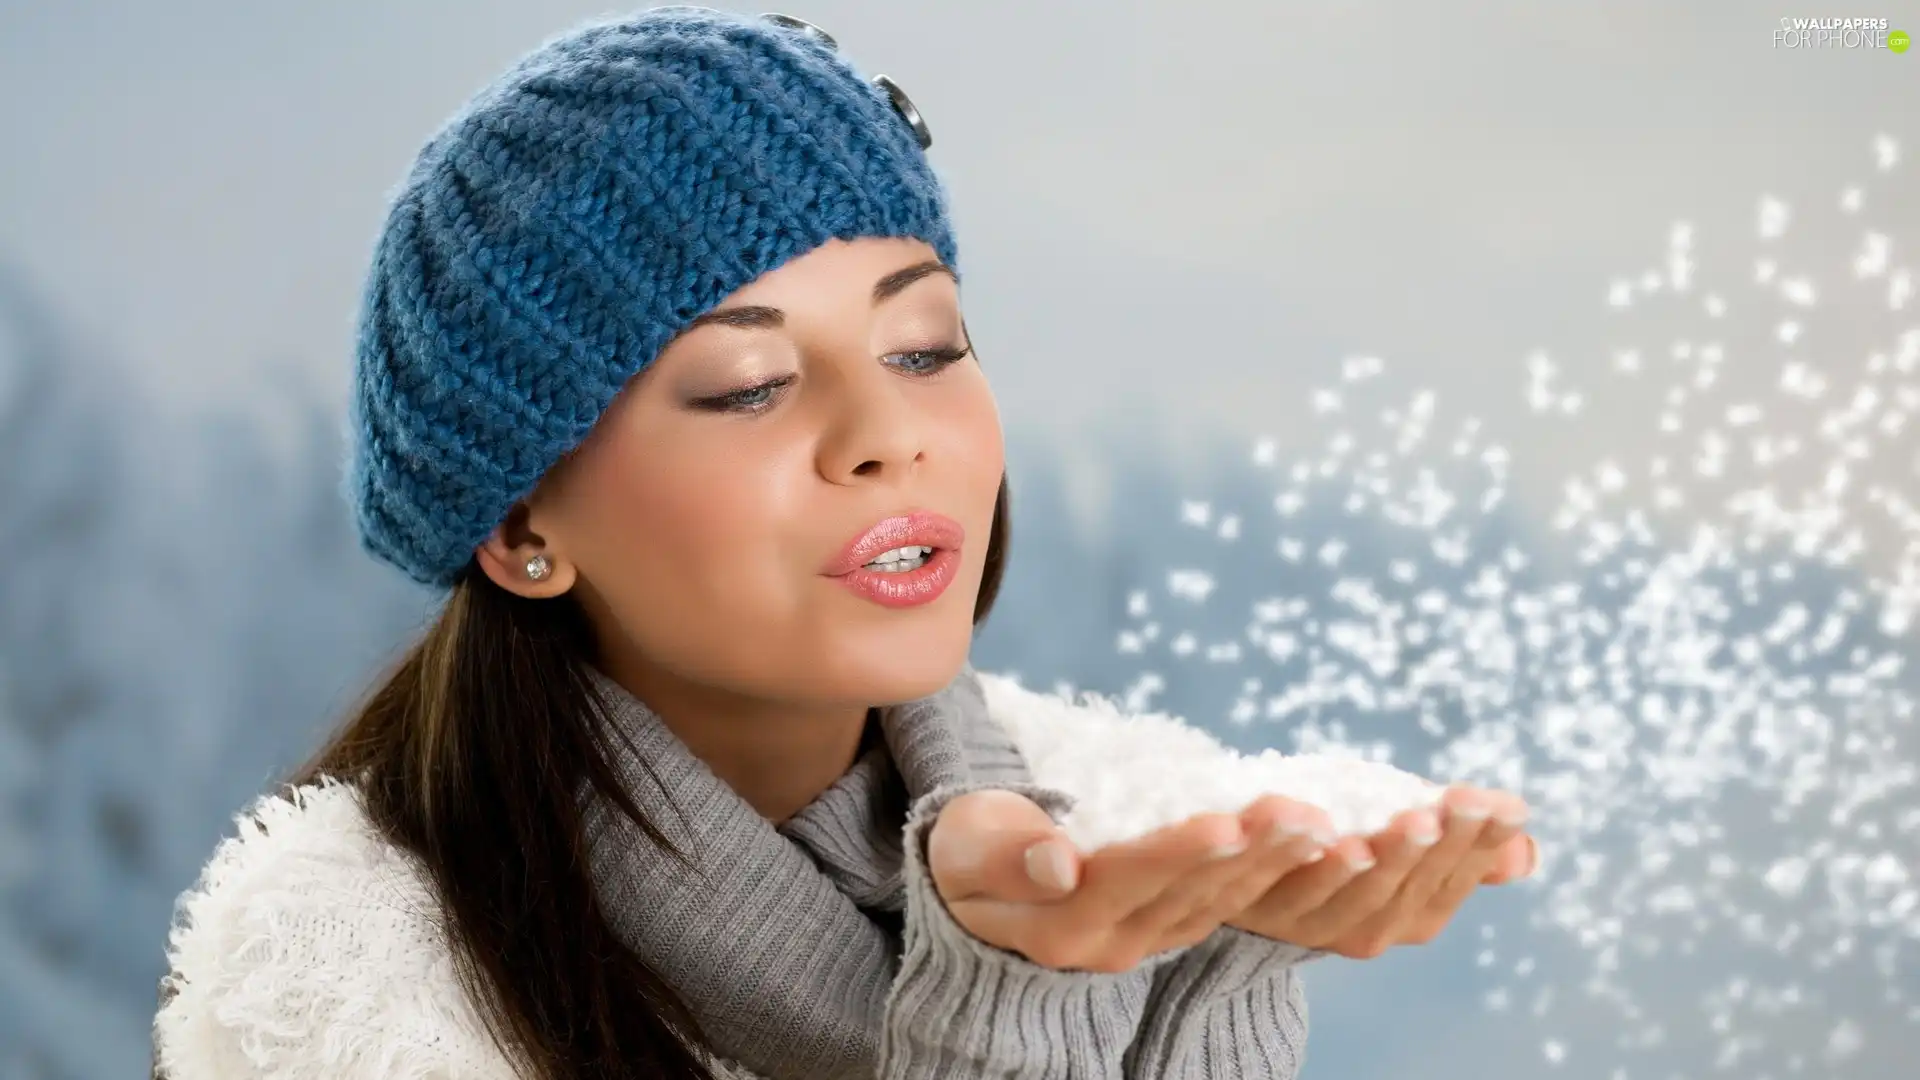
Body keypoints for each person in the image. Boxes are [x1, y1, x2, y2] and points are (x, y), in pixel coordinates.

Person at [150, 8, 1538, 1079]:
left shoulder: (1127, 819)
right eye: (750, 384)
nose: (890, 432)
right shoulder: (344, 976)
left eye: (925, 344)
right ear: (522, 526)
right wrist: (1011, 996)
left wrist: (1208, 976)